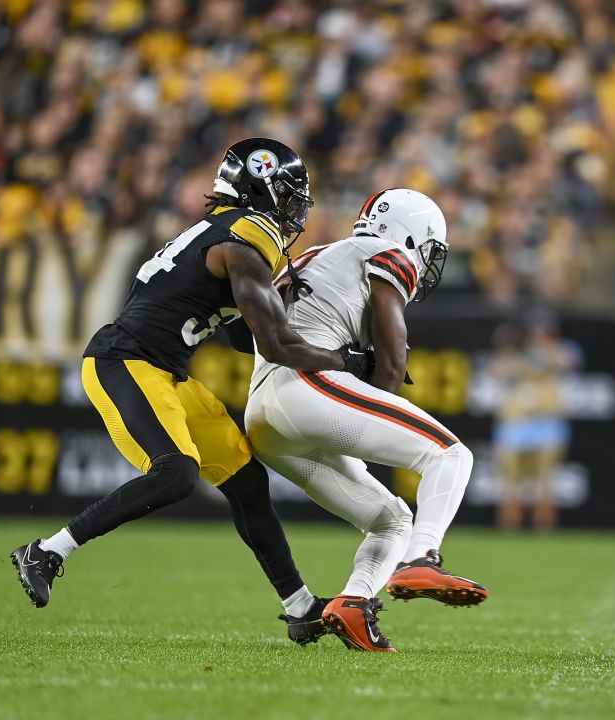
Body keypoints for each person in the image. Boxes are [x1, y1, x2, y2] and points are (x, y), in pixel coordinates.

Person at [9, 139, 376, 644]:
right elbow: (274, 343)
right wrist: (347, 360)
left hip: (167, 371)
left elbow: (240, 335)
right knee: (175, 474)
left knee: (247, 481)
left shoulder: (223, 235)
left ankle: (300, 606)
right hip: (126, 362)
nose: (295, 210)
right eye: (287, 196)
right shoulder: (242, 240)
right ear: (258, 190)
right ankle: (48, 551)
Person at [245, 188, 487, 652]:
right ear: (411, 236)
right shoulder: (386, 253)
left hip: (265, 415)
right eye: (430, 250)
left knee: (392, 519)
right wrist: (370, 371)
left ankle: (354, 603)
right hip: (306, 388)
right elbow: (391, 371)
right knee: (449, 454)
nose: (427, 264)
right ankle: (422, 558)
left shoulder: (323, 253)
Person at [489, 319, 581, 532]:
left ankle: (544, 530)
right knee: (509, 483)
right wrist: (509, 351)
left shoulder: (560, 351)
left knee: (545, 482)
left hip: (547, 423)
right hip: (516, 424)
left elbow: (568, 362)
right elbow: (498, 373)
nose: (538, 340)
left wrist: (542, 355)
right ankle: (509, 528)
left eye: (544, 336)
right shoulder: (513, 357)